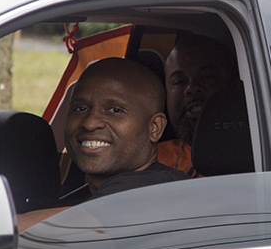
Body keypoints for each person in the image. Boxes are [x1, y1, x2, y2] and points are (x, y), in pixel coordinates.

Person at [17, 57, 187, 232]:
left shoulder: (154, 193)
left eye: (115, 110)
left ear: (154, 128)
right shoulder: (86, 194)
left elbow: (22, 235)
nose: (90, 123)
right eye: (80, 108)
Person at [158, 34, 240, 176]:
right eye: (179, 81)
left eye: (208, 77)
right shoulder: (148, 162)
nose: (192, 88)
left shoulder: (266, 154)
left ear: (236, 85)